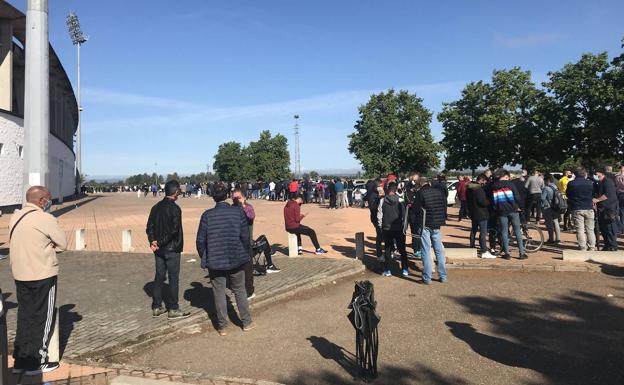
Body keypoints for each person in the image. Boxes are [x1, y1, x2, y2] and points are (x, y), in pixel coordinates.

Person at [8, 186, 66, 375]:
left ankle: (20, 360)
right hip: (42, 274)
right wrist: (49, 245)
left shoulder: (15, 216)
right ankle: (37, 361)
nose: (49, 202)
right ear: (42, 200)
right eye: (48, 199)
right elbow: (62, 244)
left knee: (24, 316)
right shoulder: (45, 218)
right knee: (42, 317)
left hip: (20, 273)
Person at [196, 184, 255, 335]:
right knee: (239, 290)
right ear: (227, 195)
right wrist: (243, 253)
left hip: (215, 259)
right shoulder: (237, 213)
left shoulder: (207, 215)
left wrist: (206, 255)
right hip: (236, 256)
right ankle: (246, 322)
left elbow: (200, 241)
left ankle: (222, 326)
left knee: (219, 292)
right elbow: (245, 237)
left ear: (213, 197)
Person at [146, 180, 190, 320]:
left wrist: (153, 241)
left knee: (159, 276)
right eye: (179, 191)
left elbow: (149, 227)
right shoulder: (175, 208)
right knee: (173, 279)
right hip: (171, 249)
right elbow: (174, 230)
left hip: (158, 249)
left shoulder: (155, 207)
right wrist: (158, 242)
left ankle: (157, 306)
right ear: (176, 192)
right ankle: (173, 308)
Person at [413, 177, 448, 284]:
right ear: (428, 183)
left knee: (426, 250)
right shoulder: (439, 192)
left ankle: (427, 278)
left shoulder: (420, 193)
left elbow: (416, 209)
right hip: (437, 224)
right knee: (439, 250)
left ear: (420, 184)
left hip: (425, 224)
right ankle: (443, 276)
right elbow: (444, 206)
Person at [491, 169, 527, 260]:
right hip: (513, 210)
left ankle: (507, 253)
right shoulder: (511, 184)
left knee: (504, 232)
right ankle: (521, 253)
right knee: (517, 231)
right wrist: (521, 207)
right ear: (506, 176)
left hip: (501, 211)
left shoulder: (494, 186)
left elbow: (493, 200)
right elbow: (517, 197)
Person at [377, 183, 408, 277]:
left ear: (388, 189)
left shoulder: (382, 200)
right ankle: (405, 269)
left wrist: (380, 226)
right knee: (402, 249)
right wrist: (405, 227)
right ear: (395, 190)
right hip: (399, 228)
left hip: (387, 228)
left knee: (387, 249)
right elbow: (404, 215)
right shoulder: (401, 200)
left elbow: (379, 215)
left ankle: (388, 270)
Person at [566, 167, 596, 251]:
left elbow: (568, 194)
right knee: (590, 229)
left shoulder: (571, 183)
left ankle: (582, 246)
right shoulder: (590, 183)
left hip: (577, 207)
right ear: (584, 173)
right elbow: (594, 194)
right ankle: (592, 247)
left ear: (575, 174)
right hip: (589, 207)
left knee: (580, 229)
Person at [466, 175, 494, 258]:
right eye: (484, 181)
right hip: (481, 213)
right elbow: (482, 202)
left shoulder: (469, 189)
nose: (485, 183)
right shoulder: (479, 190)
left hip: (473, 213)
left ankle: (472, 246)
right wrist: (489, 201)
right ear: (481, 180)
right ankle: (484, 251)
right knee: (483, 233)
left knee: (473, 231)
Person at [593, 167, 619, 251]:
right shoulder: (599, 182)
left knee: (610, 228)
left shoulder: (608, 182)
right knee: (604, 228)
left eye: (597, 174)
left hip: (609, 208)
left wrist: (597, 200)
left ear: (602, 173)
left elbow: (608, 194)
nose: (595, 176)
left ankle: (612, 245)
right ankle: (607, 245)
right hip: (602, 209)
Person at [541, 174, 561, 245]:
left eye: (545, 180)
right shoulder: (556, 187)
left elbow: (543, 198)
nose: (544, 182)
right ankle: (558, 239)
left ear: (548, 180)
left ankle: (551, 239)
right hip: (556, 207)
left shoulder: (546, 188)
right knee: (556, 223)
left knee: (549, 224)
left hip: (548, 208)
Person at [366, 179, 383, 258]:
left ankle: (383, 253)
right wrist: (379, 198)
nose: (381, 187)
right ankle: (379, 255)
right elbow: (373, 207)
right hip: (376, 218)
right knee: (379, 236)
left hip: (379, 217)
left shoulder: (375, 193)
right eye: (379, 186)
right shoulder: (373, 195)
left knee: (382, 236)